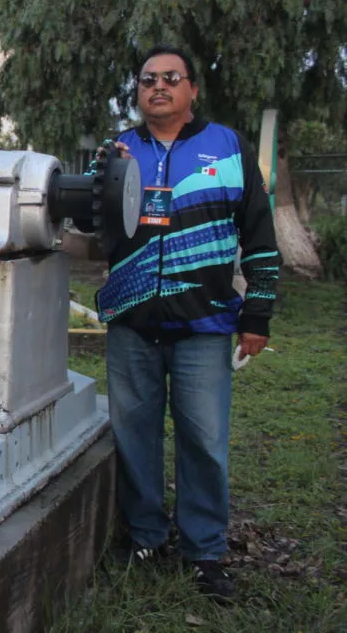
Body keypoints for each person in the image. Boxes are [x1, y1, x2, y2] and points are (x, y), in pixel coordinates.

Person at [95, 45, 281, 603]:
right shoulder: (117, 150)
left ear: (191, 89)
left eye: (171, 78)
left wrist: (259, 311)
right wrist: (104, 172)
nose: (158, 86)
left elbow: (260, 234)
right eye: (148, 79)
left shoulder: (226, 148)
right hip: (131, 322)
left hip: (205, 323)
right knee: (134, 436)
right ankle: (146, 536)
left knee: (203, 440)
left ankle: (205, 552)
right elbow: (87, 218)